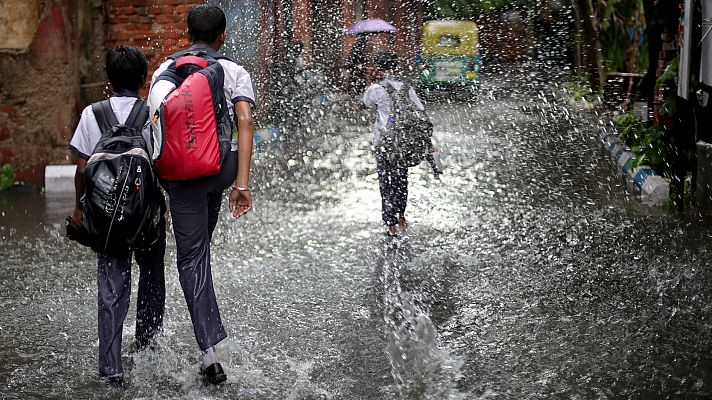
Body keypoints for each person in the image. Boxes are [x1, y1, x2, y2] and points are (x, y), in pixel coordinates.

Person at [148, 5, 255, 385]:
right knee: (200, 251)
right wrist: (241, 184)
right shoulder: (234, 71)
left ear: (186, 32)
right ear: (223, 35)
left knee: (191, 256)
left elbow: (155, 128)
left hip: (181, 177)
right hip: (220, 170)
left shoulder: (165, 69)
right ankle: (208, 337)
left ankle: (209, 354)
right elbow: (244, 121)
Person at [68, 45, 166, 386]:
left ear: (109, 79)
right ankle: (147, 352)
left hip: (107, 218)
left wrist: (80, 208)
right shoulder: (152, 113)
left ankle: (111, 369)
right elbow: (161, 165)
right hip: (147, 217)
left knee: (111, 287)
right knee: (152, 279)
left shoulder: (92, 114)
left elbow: (82, 168)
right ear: (143, 79)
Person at [362, 51, 440, 237]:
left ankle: (390, 223)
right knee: (401, 180)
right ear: (395, 67)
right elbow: (421, 113)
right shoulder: (407, 88)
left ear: (379, 67)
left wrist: (369, 82)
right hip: (404, 142)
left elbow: (364, 104)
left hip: (384, 143)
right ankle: (402, 216)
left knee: (385, 182)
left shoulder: (375, 89)